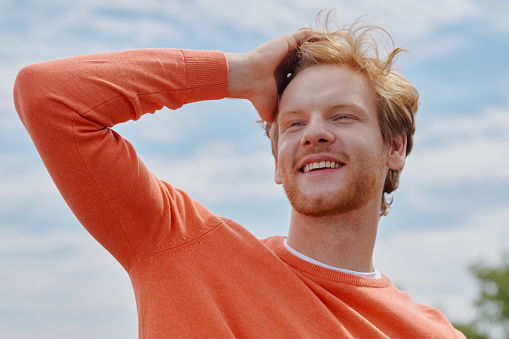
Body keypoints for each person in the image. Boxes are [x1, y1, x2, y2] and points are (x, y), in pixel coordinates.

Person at [14, 13, 465, 338]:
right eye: (292, 123)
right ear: (276, 161)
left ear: (395, 146)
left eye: (342, 116)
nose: (313, 134)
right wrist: (238, 75)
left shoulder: (430, 334)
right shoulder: (178, 247)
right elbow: (48, 96)